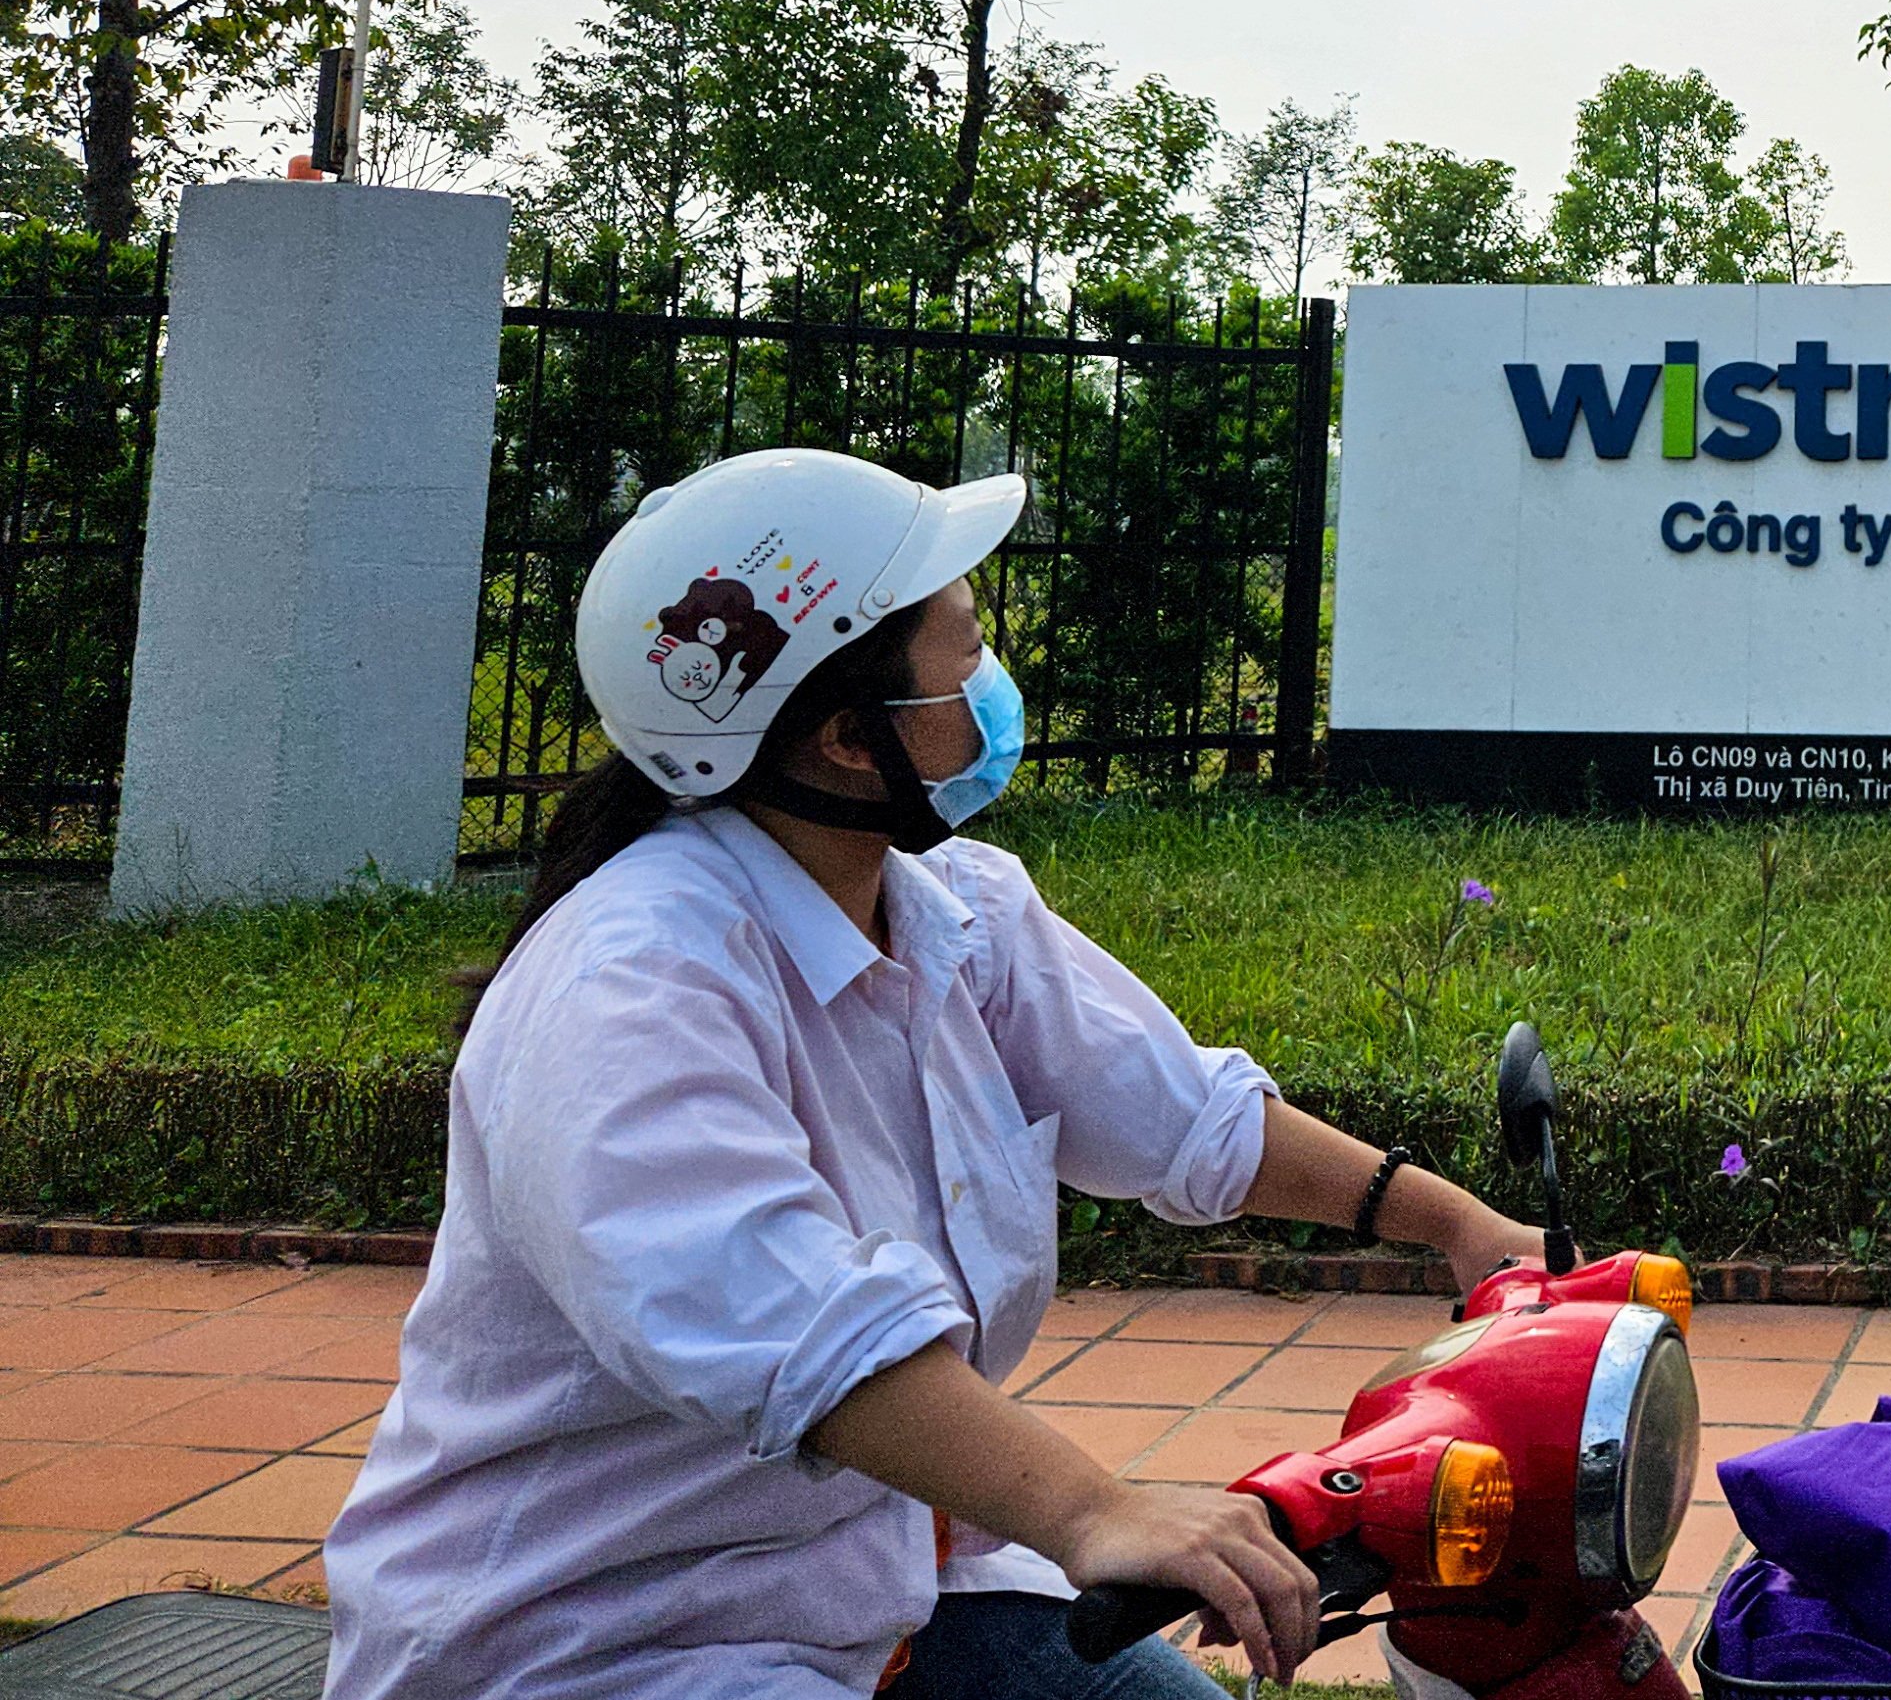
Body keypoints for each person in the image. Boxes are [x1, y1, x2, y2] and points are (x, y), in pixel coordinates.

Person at [324, 449, 1545, 1700]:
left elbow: (1184, 1115)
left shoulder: (950, 913)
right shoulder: (628, 985)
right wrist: (1093, 1510)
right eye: (965, 653)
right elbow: (797, 1330)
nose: (994, 683)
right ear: (851, 736)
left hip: (886, 1577)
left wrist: (1463, 1226)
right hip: (606, 1640)